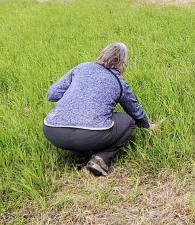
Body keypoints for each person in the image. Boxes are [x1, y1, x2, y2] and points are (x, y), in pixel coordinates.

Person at [42, 42, 157, 176]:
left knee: (83, 124)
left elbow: (52, 95)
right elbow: (135, 111)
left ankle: (80, 157)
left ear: (102, 55)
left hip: (53, 131)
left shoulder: (82, 67)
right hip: (91, 136)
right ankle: (101, 159)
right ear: (123, 64)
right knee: (128, 121)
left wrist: (77, 96)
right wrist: (146, 126)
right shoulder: (119, 82)